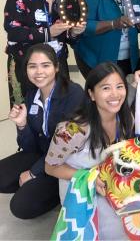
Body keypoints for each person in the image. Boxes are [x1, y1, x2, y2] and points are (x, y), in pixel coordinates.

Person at [45, 62, 135, 239]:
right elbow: (50, 167)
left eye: (119, 86)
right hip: (79, 189)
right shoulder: (73, 129)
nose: (115, 94)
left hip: (109, 180)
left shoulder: (126, 119)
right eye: (106, 88)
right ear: (91, 94)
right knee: (113, 228)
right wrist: (91, 178)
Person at [0, 44, 84, 219]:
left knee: (20, 207)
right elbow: (30, 146)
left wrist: (33, 172)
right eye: (33, 66)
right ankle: (35, 186)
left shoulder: (73, 94)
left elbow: (65, 147)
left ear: (56, 67)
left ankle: (51, 191)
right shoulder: (32, 95)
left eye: (45, 65)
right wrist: (22, 124)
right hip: (41, 154)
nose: (39, 72)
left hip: (63, 162)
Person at [4, 0, 85, 106]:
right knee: (26, 113)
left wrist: (75, 32)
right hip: (25, 65)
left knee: (61, 111)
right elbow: (13, 32)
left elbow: (70, 39)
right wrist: (48, 32)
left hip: (57, 64)